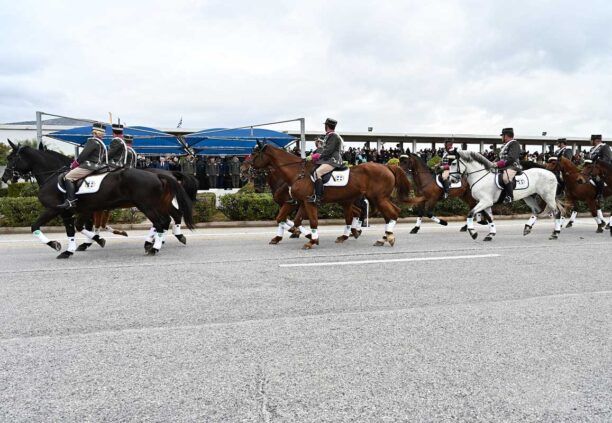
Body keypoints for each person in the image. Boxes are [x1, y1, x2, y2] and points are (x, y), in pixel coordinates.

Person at [58, 122, 108, 209]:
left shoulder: (92, 141)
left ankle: (71, 201)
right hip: (99, 166)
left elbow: (83, 155)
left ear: (94, 132)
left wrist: (74, 164)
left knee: (68, 177)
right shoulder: (101, 143)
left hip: (89, 166)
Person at [307, 118, 344, 204]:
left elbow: (328, 151)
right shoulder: (330, 135)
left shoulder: (333, 135)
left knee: (317, 173)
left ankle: (318, 197)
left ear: (326, 126)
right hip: (328, 159)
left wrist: (316, 156)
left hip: (333, 160)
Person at [492, 127, 521, 204]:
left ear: (506, 136)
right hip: (504, 167)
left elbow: (512, 158)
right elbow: (499, 157)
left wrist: (498, 164)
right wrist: (491, 163)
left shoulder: (514, 143)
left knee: (505, 178)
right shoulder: (504, 145)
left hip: (512, 166)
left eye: (502, 135)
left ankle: (510, 197)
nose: (501, 137)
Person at [586, 134, 611, 203]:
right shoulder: (592, 149)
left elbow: (607, 159)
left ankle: (600, 195)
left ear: (596, 140)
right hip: (591, 168)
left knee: (598, 178)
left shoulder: (605, 147)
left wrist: (598, 162)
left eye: (591, 140)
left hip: (602, 169)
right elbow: (589, 159)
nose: (590, 142)